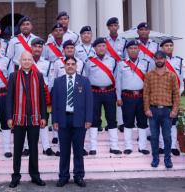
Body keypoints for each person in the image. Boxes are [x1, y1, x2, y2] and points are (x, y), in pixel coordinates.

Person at [6, 51, 47, 188]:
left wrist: (44, 116)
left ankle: (35, 175)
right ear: (20, 61)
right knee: (17, 149)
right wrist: (9, 117)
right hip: (18, 118)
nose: (27, 62)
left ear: (32, 61)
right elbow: (9, 98)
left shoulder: (39, 76)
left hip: (34, 118)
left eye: (29, 59)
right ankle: (16, 176)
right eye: (24, 60)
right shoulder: (13, 76)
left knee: (34, 148)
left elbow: (42, 98)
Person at [52, 56, 93, 188]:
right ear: (64, 66)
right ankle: (63, 176)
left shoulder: (84, 81)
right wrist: (55, 120)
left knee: (78, 150)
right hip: (63, 121)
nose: (70, 66)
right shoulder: (58, 81)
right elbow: (55, 103)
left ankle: (79, 176)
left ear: (77, 66)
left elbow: (89, 102)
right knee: (64, 151)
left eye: (72, 64)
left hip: (79, 121)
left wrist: (88, 119)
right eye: (67, 64)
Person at [143, 50, 180, 168]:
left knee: (167, 137)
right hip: (153, 110)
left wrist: (174, 110)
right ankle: (155, 159)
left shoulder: (172, 75)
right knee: (154, 137)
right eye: (157, 58)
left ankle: (168, 160)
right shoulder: (149, 75)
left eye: (161, 58)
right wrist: (147, 109)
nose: (159, 60)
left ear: (165, 60)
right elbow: (146, 94)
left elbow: (176, 94)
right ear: (154, 60)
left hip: (167, 111)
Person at [85, 37, 122, 155]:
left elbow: (116, 78)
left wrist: (117, 95)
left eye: (103, 46)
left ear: (106, 47)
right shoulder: (89, 61)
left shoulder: (112, 61)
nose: (101, 48)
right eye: (99, 46)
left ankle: (114, 146)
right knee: (94, 119)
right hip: (94, 93)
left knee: (111, 118)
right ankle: (93, 147)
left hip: (109, 92)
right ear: (94, 48)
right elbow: (86, 78)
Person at [116, 40, 151, 155]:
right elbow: (118, 82)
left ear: (139, 50)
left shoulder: (145, 63)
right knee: (128, 122)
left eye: (135, 48)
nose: (133, 50)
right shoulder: (121, 64)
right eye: (131, 48)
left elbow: (149, 82)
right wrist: (118, 97)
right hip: (127, 97)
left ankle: (142, 146)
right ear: (127, 50)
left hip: (141, 97)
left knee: (142, 122)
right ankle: (128, 146)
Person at [31, 38, 56, 156]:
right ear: (31, 48)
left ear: (42, 49)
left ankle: (46, 147)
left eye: (40, 47)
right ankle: (28, 147)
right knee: (29, 122)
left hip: (43, 97)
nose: (37, 49)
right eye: (35, 46)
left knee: (44, 121)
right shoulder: (25, 62)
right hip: (29, 97)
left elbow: (50, 82)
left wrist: (46, 95)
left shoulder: (48, 63)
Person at [159, 38, 184, 156]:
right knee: (160, 121)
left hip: (173, 96)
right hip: (161, 96)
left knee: (173, 122)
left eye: (171, 45)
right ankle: (162, 146)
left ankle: (173, 146)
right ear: (162, 48)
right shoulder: (158, 61)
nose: (169, 47)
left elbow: (181, 79)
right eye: (166, 46)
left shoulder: (178, 61)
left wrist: (178, 94)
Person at [105, 17, 128, 133]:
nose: (113, 27)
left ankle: (121, 122)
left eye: (115, 25)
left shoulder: (124, 41)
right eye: (111, 26)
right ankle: (110, 122)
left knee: (119, 95)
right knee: (109, 98)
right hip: (107, 71)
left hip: (120, 71)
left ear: (118, 27)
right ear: (108, 27)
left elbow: (126, 57)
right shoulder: (104, 41)